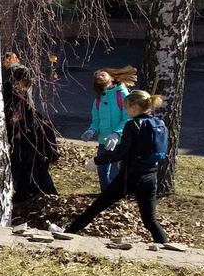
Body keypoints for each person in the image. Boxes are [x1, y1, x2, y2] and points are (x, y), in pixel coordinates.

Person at [56, 90, 168, 244]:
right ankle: (165, 247)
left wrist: (96, 161)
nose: (125, 111)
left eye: (126, 107)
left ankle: (67, 234)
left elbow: (120, 153)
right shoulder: (159, 123)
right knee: (150, 220)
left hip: (130, 176)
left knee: (96, 207)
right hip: (150, 176)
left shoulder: (132, 124)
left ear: (134, 107)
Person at [4, 60, 59, 200]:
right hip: (18, 136)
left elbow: (29, 111)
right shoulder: (8, 95)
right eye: (22, 85)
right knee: (22, 165)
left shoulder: (23, 93)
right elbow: (6, 118)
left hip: (28, 135)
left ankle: (40, 190)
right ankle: (26, 190)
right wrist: (13, 129)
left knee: (35, 163)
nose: (24, 88)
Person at [82, 65, 136, 191]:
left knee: (114, 173)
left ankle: (115, 197)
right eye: (97, 76)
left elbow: (127, 119)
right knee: (102, 171)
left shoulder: (122, 94)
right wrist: (91, 130)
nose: (99, 77)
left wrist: (117, 134)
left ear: (112, 77)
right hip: (103, 142)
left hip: (120, 142)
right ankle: (105, 196)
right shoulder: (98, 100)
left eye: (102, 74)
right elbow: (96, 121)